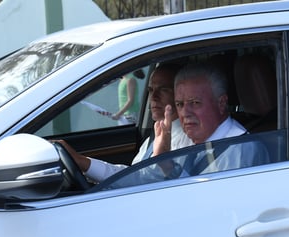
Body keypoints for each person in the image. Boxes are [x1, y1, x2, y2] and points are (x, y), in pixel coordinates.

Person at [56, 63, 193, 183]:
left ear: (180, 94)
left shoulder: (187, 137)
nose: (154, 97)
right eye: (151, 90)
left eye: (164, 89)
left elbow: (142, 181)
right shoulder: (158, 132)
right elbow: (134, 175)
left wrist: (83, 163)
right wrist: (83, 163)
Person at [154, 63, 269, 177]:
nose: (185, 113)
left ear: (221, 103)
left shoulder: (242, 149)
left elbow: (210, 195)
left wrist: (168, 166)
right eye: (179, 104)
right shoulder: (183, 139)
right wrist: (161, 157)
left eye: (195, 103)